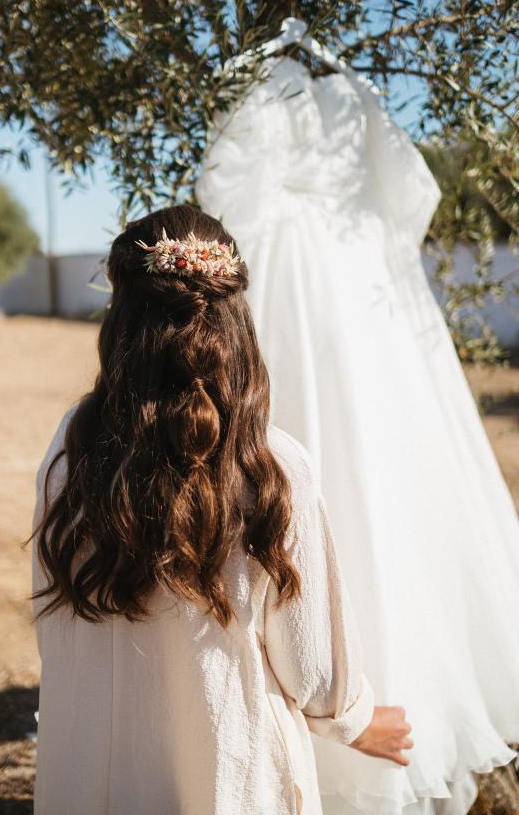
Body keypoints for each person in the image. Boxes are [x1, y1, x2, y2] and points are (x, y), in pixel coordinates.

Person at [26, 204, 413, 815]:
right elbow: (309, 665)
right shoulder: (272, 468)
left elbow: (55, 620)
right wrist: (356, 720)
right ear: (238, 322)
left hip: (91, 765)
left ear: (120, 322)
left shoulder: (72, 446)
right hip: (229, 774)